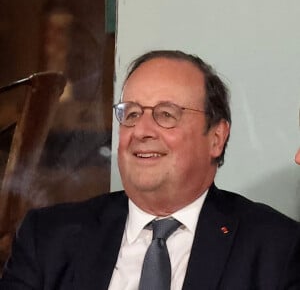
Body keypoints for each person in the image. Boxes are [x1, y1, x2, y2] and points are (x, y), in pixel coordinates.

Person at [0, 50, 300, 289]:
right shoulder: (48, 238)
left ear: (216, 138)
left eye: (166, 114)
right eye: (130, 114)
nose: (141, 130)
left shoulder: (276, 247)